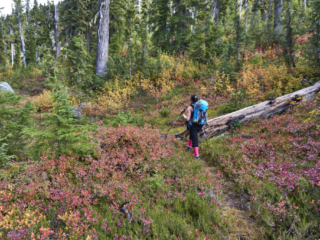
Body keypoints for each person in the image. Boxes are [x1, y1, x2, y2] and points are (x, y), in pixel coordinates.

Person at [183, 94, 202, 159]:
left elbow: (188, 119)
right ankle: (188, 147)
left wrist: (183, 115)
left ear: (191, 100)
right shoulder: (201, 105)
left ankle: (197, 156)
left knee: (195, 140)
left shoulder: (190, 108)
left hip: (193, 126)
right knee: (192, 135)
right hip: (200, 124)